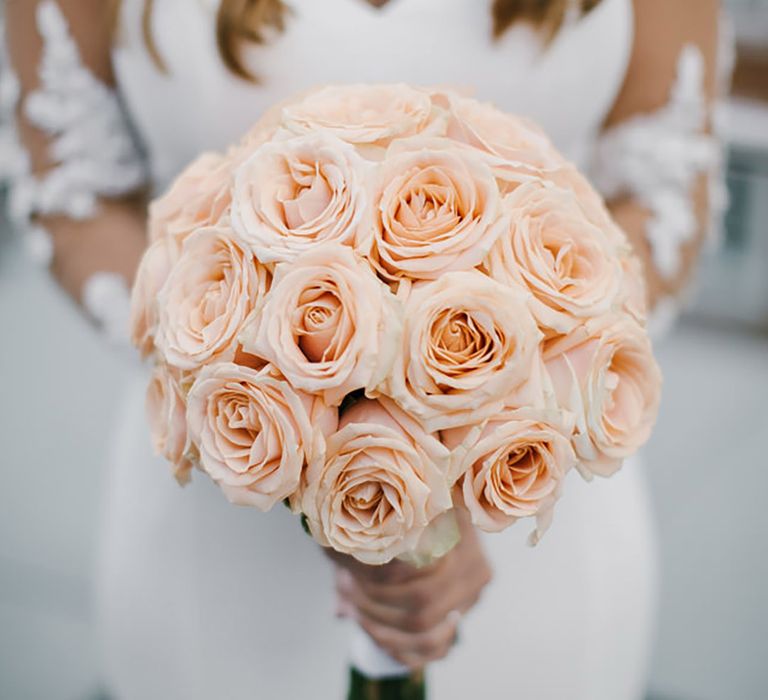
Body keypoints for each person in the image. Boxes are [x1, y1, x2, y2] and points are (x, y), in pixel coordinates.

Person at [3, 0, 724, 697]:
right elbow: (77, 191)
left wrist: (480, 436)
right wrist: (290, 430)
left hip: (531, 508)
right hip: (225, 498)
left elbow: (661, 190)